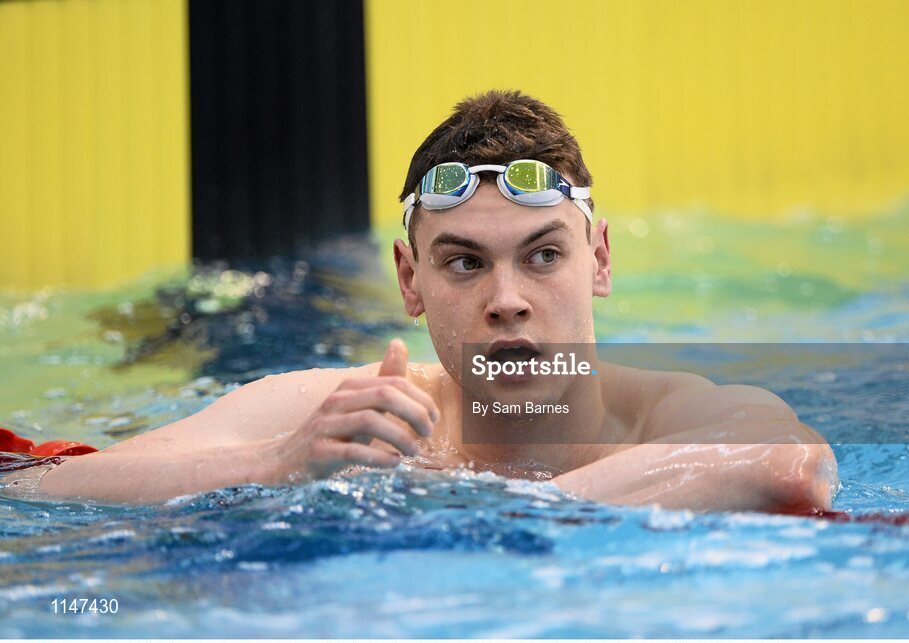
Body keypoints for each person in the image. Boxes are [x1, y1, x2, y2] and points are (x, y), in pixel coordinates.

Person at [31, 89, 838, 511]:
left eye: (544, 255)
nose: (508, 300)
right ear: (410, 282)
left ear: (598, 260)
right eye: (464, 264)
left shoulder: (674, 414)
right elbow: (36, 490)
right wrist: (276, 464)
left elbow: (788, 467)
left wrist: (501, 516)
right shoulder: (348, 416)